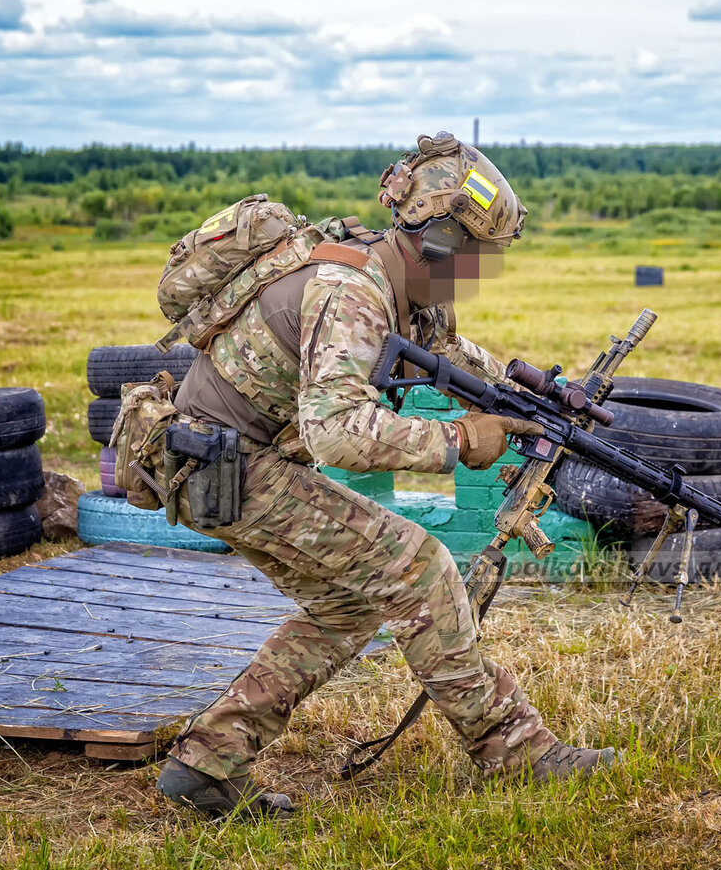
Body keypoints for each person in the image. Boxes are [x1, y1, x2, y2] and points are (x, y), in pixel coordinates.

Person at [154, 131, 617, 817]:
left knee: (351, 604)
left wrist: (533, 399)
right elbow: (335, 431)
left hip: (228, 461)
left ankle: (210, 760)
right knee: (419, 566)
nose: (478, 272)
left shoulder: (401, 282)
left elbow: (449, 357)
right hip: (221, 465)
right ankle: (514, 749)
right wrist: (461, 439)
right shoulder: (352, 292)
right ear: (439, 241)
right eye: (475, 255)